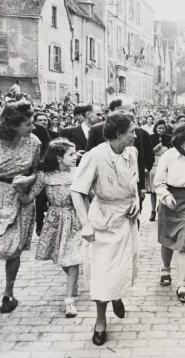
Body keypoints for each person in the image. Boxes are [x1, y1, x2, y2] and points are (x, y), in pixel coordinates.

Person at [70, 110, 140, 346]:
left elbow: (134, 183)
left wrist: (137, 203)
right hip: (102, 221)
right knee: (102, 273)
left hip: (127, 220)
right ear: (119, 133)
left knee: (125, 266)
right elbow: (76, 190)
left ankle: (117, 295)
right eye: (132, 132)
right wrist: (86, 224)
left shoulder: (132, 153)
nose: (135, 135)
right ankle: (100, 322)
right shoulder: (95, 155)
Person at [18, 138, 82, 318]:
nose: (75, 156)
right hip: (55, 219)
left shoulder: (78, 172)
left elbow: (89, 195)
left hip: (75, 218)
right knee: (63, 259)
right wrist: (19, 189)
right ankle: (73, 281)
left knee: (73, 259)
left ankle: (69, 301)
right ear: (59, 158)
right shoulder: (45, 176)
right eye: (71, 154)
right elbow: (29, 198)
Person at [0, 100, 40, 314]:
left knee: (13, 248)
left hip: (21, 199)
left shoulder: (34, 142)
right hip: (0, 195)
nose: (32, 127)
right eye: (28, 124)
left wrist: (27, 180)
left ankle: (8, 292)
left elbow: (36, 171)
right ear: (13, 125)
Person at [154, 121, 185, 303]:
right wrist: (165, 196)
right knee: (168, 239)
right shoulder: (168, 156)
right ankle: (166, 268)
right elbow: (158, 181)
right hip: (170, 200)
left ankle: (181, 284)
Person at [147, 120, 171, 222]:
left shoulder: (169, 138)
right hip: (154, 164)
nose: (161, 130)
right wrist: (156, 148)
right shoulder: (151, 138)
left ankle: (160, 208)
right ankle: (153, 211)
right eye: (159, 128)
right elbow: (148, 151)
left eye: (163, 128)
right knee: (153, 190)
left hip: (165, 166)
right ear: (156, 128)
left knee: (163, 188)